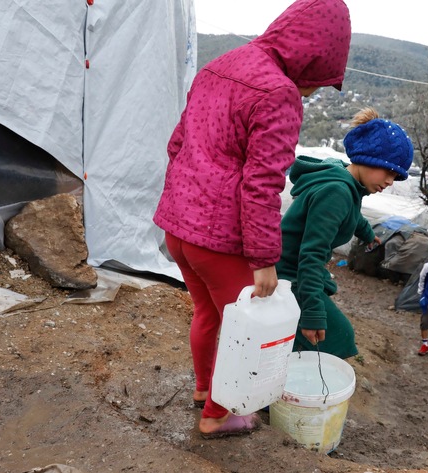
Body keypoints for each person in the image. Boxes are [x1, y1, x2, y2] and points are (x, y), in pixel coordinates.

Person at [153, 0, 351, 439]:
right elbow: (262, 183)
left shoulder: (220, 65)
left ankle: (205, 391)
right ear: (313, 56)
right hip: (220, 239)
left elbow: (176, 145)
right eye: (317, 83)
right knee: (242, 329)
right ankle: (219, 415)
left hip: (178, 228)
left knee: (207, 313)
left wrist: (179, 204)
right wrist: (264, 259)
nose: (311, 93)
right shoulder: (278, 92)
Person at [276, 107, 414, 358]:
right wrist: (312, 313)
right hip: (288, 275)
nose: (391, 181)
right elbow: (311, 256)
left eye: (397, 176)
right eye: (389, 171)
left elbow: (351, 214)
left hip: (294, 268)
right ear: (370, 159)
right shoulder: (337, 192)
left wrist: (366, 232)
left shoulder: (345, 181)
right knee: (340, 338)